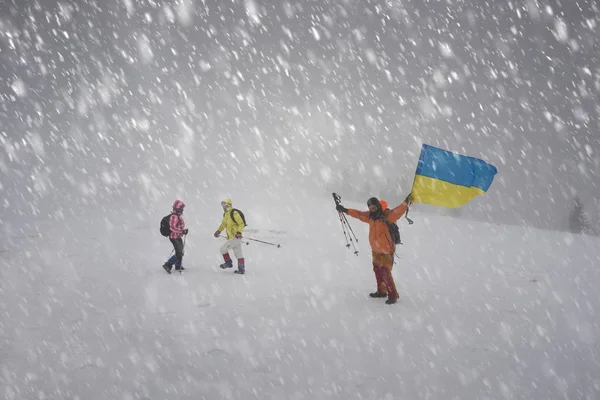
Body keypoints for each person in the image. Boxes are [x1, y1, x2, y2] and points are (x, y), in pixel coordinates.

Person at [336, 195, 411, 304]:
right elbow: (358, 214)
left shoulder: (387, 216)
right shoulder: (370, 216)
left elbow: (398, 211)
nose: (373, 209)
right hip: (375, 250)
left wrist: (406, 202)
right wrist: (345, 210)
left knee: (385, 272)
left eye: (374, 207)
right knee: (377, 271)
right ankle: (381, 291)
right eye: (370, 208)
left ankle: (393, 295)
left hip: (387, 250)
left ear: (378, 206)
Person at [214, 198, 246, 274]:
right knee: (238, 254)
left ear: (228, 205)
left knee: (223, 249)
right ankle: (241, 269)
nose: (223, 207)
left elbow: (241, 223)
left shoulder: (234, 213)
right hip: (234, 238)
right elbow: (223, 224)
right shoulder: (226, 215)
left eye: (224, 205)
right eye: (222, 205)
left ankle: (228, 263)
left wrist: (239, 232)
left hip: (235, 237)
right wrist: (218, 231)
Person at [162, 200, 188, 273]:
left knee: (181, 251)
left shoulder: (178, 216)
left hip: (177, 236)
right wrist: (181, 231)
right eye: (181, 209)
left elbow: (178, 227)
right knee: (179, 252)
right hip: (173, 237)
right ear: (177, 209)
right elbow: (172, 228)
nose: (182, 210)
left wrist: (183, 232)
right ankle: (168, 264)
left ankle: (178, 265)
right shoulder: (174, 217)